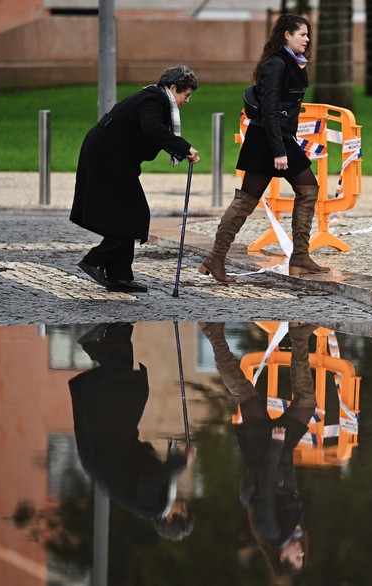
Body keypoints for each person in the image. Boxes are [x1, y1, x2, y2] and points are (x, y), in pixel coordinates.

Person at [199, 14, 329, 284]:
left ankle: (300, 256)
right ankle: (216, 258)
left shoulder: (293, 63)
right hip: (266, 140)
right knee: (246, 200)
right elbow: (269, 110)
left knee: (308, 188)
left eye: (307, 35)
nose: (307, 39)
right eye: (302, 34)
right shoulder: (276, 64)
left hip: (280, 137)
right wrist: (279, 150)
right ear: (286, 35)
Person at [200, 321, 317, 576]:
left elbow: (265, 485)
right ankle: (299, 336)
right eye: (302, 557)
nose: (302, 553)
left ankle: (214, 333)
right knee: (304, 403)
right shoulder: (290, 528)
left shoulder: (271, 530)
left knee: (245, 394)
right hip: (279, 449)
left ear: (283, 556)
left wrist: (276, 446)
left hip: (266, 449)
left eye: (297, 559)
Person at [72, 65, 201, 293]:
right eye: (186, 94)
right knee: (134, 213)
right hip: (107, 155)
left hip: (112, 154)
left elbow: (148, 132)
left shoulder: (154, 98)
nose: (187, 101)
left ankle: (120, 276)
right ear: (173, 88)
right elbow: (152, 129)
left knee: (125, 213)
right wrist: (183, 147)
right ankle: (94, 260)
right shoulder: (154, 100)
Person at [68, 322, 197, 541]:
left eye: (181, 512)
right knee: (125, 384)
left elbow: (151, 477)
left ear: (169, 518)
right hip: (111, 443)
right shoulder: (153, 504)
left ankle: (100, 339)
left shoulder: (152, 507)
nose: (183, 505)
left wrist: (179, 463)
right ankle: (119, 326)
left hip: (107, 445)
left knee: (126, 388)